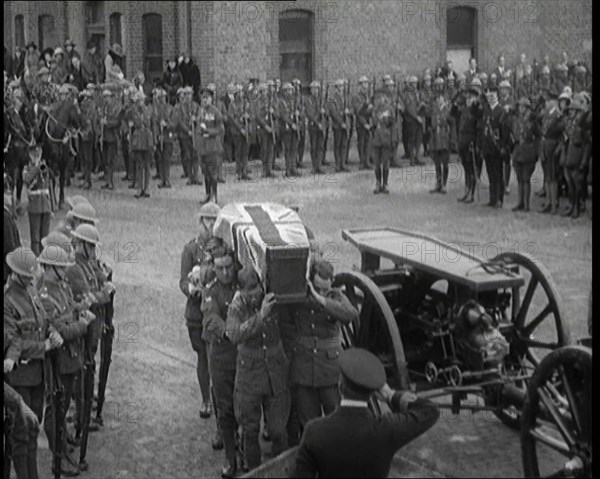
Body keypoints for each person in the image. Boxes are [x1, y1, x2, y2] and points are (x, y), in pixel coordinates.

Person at [291, 348, 440, 478]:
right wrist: (390, 394)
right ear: (372, 393)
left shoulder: (314, 431)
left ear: (340, 386)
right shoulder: (386, 429)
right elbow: (430, 410)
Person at [226, 266, 290, 471]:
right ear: (241, 291)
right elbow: (234, 335)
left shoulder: (272, 296)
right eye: (250, 293)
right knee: (250, 430)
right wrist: (260, 316)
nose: (255, 297)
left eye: (257, 292)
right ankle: (254, 471)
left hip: (275, 374)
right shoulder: (236, 305)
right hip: (250, 376)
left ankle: (281, 470)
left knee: (279, 429)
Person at [39, 244, 94, 477]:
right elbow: (61, 329)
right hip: (59, 360)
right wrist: (82, 324)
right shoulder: (45, 295)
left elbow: (70, 310)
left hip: (71, 357)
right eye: (61, 267)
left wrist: (80, 310)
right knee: (56, 409)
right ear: (51, 268)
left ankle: (62, 448)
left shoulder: (60, 287)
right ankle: (57, 458)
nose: (64, 271)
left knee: (62, 409)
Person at [289, 260, 358, 430]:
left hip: (329, 371)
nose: (321, 291)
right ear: (310, 281)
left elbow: (350, 314)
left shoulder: (336, 296)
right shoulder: (299, 295)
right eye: (317, 287)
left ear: (332, 282)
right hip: (304, 368)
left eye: (325, 288)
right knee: (309, 423)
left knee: (335, 422)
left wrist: (321, 299)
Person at [201, 246, 240, 478]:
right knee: (225, 409)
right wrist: (232, 330)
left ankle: (242, 447)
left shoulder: (242, 285)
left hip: (244, 359)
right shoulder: (211, 291)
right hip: (222, 358)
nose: (225, 272)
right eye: (220, 268)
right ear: (214, 268)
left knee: (245, 407)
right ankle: (230, 457)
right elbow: (211, 320)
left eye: (229, 267)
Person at [180, 202, 221, 423]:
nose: (211, 225)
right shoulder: (191, 249)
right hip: (197, 314)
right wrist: (191, 289)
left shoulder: (224, 247)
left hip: (216, 312)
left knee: (218, 359)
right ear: (200, 222)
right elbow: (182, 280)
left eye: (215, 220)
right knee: (203, 358)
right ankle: (206, 399)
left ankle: (219, 400)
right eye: (207, 220)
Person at [23, 143, 55, 256]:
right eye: (34, 155)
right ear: (30, 155)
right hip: (35, 207)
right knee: (35, 239)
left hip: (45, 206)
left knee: (45, 238)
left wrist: (52, 208)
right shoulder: (27, 168)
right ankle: (36, 261)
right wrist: (36, 167)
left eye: (38, 154)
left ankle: (44, 260)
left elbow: (50, 186)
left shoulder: (44, 167)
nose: (37, 156)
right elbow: (27, 179)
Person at [510, 97, 541, 212]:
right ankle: (520, 202)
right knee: (519, 178)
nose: (520, 108)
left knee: (526, 178)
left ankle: (527, 204)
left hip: (528, 150)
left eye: (523, 106)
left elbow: (538, 136)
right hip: (518, 150)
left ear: (527, 108)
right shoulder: (517, 119)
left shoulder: (533, 121)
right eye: (519, 106)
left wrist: (536, 151)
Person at [196, 88, 225, 204]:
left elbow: (220, 129)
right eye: (203, 98)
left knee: (212, 172)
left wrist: (209, 131)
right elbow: (198, 125)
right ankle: (207, 194)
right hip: (203, 146)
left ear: (211, 99)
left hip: (212, 145)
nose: (204, 100)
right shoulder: (201, 111)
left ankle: (214, 195)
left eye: (207, 98)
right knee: (205, 172)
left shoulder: (216, 112)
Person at [127, 91, 154, 198]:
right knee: (139, 165)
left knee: (147, 165)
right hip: (138, 138)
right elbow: (136, 122)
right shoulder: (133, 111)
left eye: (142, 100)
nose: (140, 102)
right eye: (138, 100)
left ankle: (146, 188)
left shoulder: (148, 110)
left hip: (147, 138)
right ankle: (139, 188)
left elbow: (148, 122)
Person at [429, 78, 453, 194]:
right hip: (435, 138)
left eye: (441, 98)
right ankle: (438, 182)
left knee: (445, 162)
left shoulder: (448, 110)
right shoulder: (434, 109)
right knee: (437, 162)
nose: (439, 100)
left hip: (444, 137)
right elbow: (432, 121)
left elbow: (450, 122)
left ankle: (444, 183)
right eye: (437, 99)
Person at [370, 89, 395, 194]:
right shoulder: (374, 109)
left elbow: (393, 125)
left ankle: (385, 183)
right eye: (378, 98)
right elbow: (373, 123)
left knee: (385, 162)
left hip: (386, 137)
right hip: (376, 138)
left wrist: (393, 139)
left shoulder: (389, 109)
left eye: (382, 98)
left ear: (385, 98)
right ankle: (377, 183)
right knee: (376, 163)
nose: (380, 100)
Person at [304, 81, 327, 174]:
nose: (315, 90)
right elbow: (309, 114)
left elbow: (327, 112)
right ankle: (314, 166)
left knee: (320, 147)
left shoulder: (322, 100)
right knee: (314, 146)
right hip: (313, 126)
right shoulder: (308, 100)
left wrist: (324, 112)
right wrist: (318, 123)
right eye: (313, 89)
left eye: (317, 89)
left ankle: (319, 166)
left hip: (321, 126)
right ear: (311, 90)